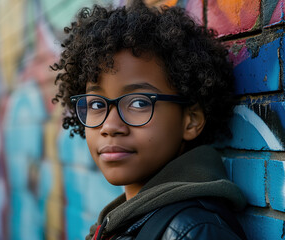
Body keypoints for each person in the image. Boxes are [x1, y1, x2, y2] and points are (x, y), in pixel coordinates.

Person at [52, 1, 247, 239]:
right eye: (96, 104)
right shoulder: (123, 220)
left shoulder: (193, 231)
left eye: (139, 103)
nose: (110, 126)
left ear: (191, 120)